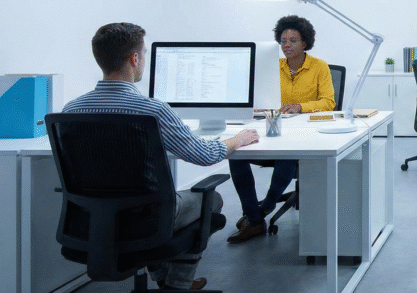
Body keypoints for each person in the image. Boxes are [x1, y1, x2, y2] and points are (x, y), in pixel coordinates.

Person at [63, 23, 260, 291]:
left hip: (90, 220)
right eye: (143, 53)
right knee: (211, 199)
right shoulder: (152, 109)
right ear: (135, 59)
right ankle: (177, 285)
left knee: (161, 199)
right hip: (146, 220)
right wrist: (237, 139)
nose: (143, 58)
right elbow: (204, 155)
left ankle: (165, 280)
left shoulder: (71, 110)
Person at [227, 15, 335, 243]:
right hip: (271, 128)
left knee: (287, 154)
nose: (287, 45)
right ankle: (254, 217)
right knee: (235, 156)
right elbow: (261, 96)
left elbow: (328, 102)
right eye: (283, 40)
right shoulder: (272, 67)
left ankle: (264, 208)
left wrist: (300, 107)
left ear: (304, 43)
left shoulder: (319, 67)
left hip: (303, 134)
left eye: (293, 40)